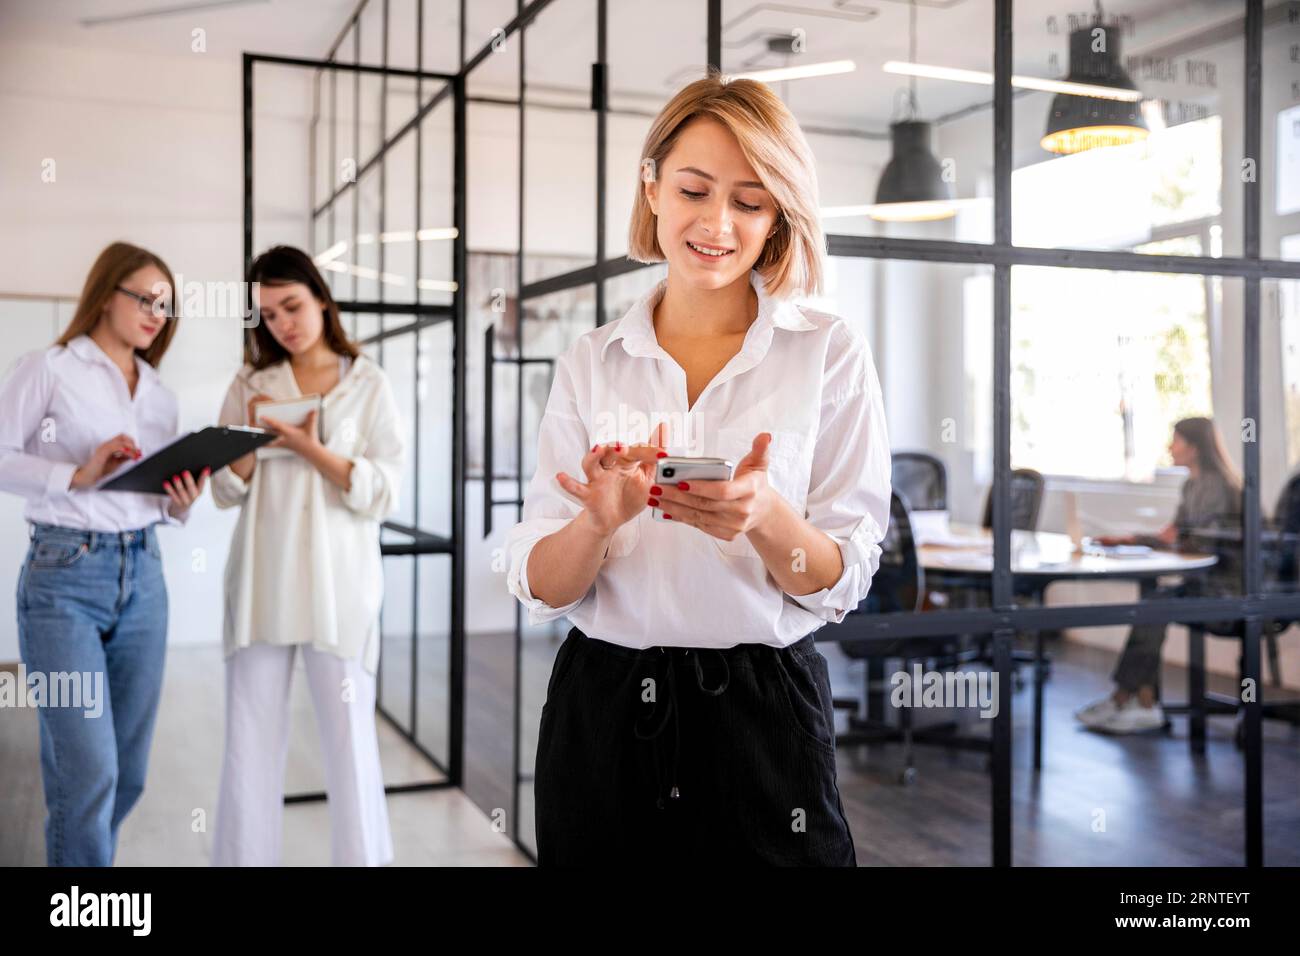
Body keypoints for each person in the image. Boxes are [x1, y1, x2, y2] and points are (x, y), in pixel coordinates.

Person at [505, 72, 892, 865]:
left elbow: (840, 579)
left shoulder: (827, 353)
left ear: (779, 213)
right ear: (651, 187)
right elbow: (544, 584)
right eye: (694, 189)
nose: (718, 223)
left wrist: (765, 517)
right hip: (603, 712)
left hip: (763, 717)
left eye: (750, 202)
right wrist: (596, 523)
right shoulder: (591, 360)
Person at [0, 241, 204, 865]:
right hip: (65, 580)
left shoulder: (159, 394)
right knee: (87, 772)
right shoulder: (50, 368)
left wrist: (181, 500)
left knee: (128, 772)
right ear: (105, 292)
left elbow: (154, 496)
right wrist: (76, 474)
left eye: (166, 306)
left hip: (145, 575)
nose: (155, 314)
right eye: (145, 298)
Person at [209, 246, 404, 866]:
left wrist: (309, 447)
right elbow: (222, 487)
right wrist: (249, 441)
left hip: (337, 590)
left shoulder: (368, 383)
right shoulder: (250, 385)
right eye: (268, 315)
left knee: (349, 745)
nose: (283, 324)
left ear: (321, 298)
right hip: (263, 582)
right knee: (249, 742)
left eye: (292, 306)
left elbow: (385, 490)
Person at [1075, 417, 1243, 734]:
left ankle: (1131, 699)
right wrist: (1132, 539)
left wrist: (1152, 539)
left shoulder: (1216, 486)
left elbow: (1198, 541)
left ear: (1194, 448)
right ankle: (1140, 700)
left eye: (1176, 440)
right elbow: (1176, 536)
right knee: (1154, 602)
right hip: (1203, 584)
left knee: (1154, 605)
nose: (1170, 447)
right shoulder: (1194, 484)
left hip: (1226, 592)